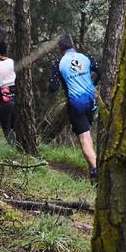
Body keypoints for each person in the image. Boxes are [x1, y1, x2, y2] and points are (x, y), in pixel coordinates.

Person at [53, 35, 99, 179]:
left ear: (60, 48)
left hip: (75, 104)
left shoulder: (59, 63)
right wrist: (92, 84)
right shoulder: (86, 57)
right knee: (88, 135)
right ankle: (92, 172)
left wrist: (62, 80)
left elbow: (52, 87)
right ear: (72, 45)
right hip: (91, 101)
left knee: (84, 138)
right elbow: (100, 71)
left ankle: (98, 170)